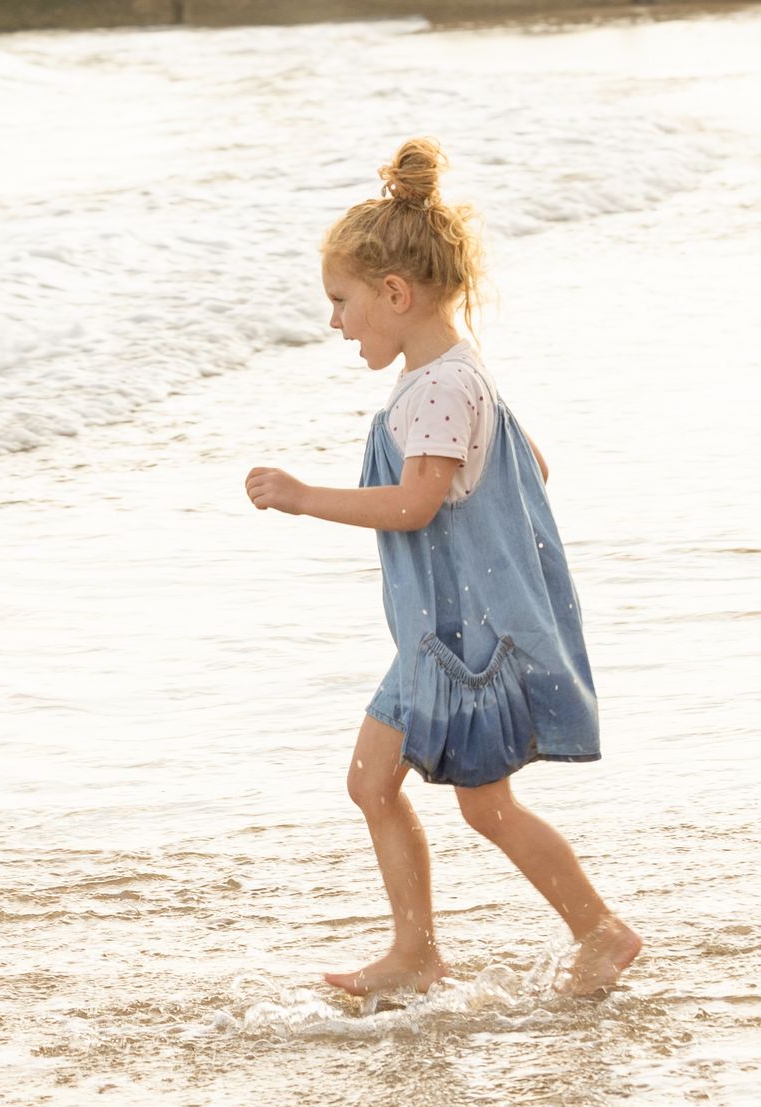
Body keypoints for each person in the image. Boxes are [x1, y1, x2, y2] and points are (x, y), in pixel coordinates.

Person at [246, 138, 639, 1002]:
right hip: (437, 637)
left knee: (483, 805)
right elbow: (529, 466)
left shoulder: (437, 389)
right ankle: (416, 951)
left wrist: (307, 495)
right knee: (372, 781)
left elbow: (416, 503)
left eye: (342, 301)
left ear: (395, 293)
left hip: (462, 647)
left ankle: (599, 931)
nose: (336, 321)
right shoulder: (463, 378)